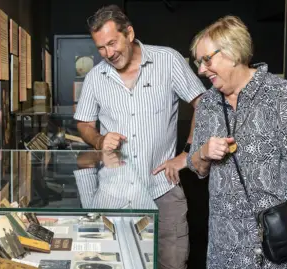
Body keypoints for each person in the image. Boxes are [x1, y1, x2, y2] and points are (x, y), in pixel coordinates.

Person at [74, 4, 206, 268]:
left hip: (162, 191)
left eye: (112, 43)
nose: (108, 53)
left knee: (171, 263)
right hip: (113, 193)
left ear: (130, 33)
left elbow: (202, 101)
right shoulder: (95, 78)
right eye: (101, 48)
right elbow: (83, 124)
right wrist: (100, 140)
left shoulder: (167, 60)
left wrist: (187, 153)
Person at [186, 15, 287, 268]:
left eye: (206, 60)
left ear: (233, 52)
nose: (201, 70)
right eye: (198, 62)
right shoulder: (207, 104)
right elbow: (196, 167)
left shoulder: (279, 94)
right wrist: (203, 153)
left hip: (275, 244)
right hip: (224, 244)